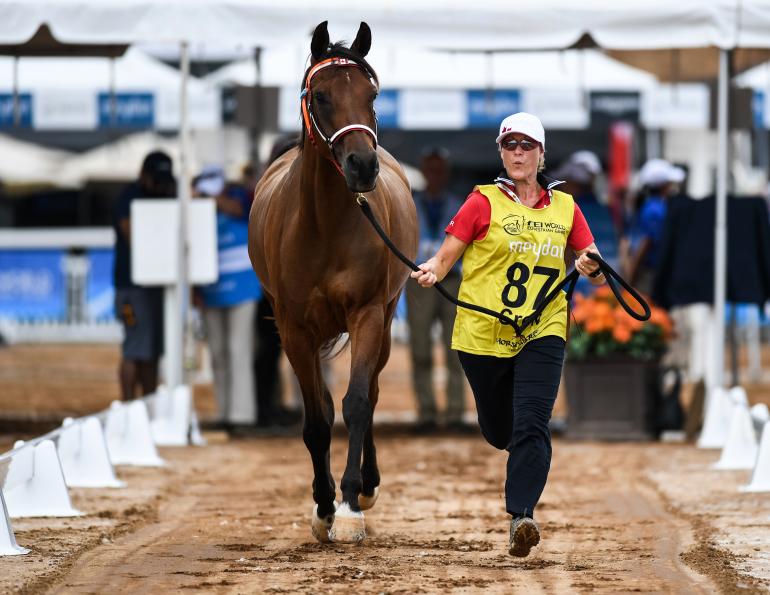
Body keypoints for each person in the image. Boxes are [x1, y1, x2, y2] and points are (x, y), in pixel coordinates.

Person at [410, 112, 604, 558]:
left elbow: (590, 262)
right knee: (501, 431)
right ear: (501, 151)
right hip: (482, 333)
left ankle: (522, 515)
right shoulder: (482, 202)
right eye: (510, 145)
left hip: (543, 326)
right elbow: (444, 259)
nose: (518, 152)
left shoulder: (565, 207)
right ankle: (516, 478)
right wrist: (429, 271)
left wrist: (591, 265)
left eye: (526, 145)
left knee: (533, 421)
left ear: (541, 153)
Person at [194, 165, 261, 433]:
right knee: (218, 354)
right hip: (210, 290)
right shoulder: (197, 206)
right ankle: (224, 412)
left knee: (238, 349)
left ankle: (242, 415)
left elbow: (240, 209)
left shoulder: (241, 196)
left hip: (243, 288)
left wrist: (212, 200)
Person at [407, 147, 467, 434]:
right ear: (424, 172)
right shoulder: (410, 204)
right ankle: (426, 412)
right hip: (419, 280)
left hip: (453, 279)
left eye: (439, 170)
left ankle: (455, 413)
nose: (435, 175)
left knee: (455, 349)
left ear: (446, 173)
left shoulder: (459, 203)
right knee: (420, 348)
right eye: (430, 170)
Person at [113, 151, 176, 401]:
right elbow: (130, 234)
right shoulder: (128, 197)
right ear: (142, 175)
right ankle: (129, 407)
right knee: (134, 350)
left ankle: (148, 407)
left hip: (156, 285)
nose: (159, 185)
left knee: (151, 353)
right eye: (155, 179)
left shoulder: (163, 194)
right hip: (131, 287)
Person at [624, 158, 684, 295]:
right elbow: (646, 243)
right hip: (648, 273)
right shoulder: (655, 210)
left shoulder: (653, 206)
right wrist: (632, 277)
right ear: (663, 185)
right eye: (669, 183)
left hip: (651, 271)